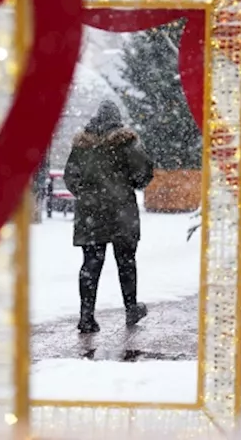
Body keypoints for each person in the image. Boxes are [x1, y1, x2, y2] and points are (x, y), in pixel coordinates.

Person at [64, 101, 155, 334]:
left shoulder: (82, 145)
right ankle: (131, 308)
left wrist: (86, 195)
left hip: (90, 214)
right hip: (121, 212)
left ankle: (86, 317)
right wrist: (126, 185)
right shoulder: (127, 143)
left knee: (91, 265)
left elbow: (70, 177)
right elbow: (143, 174)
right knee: (126, 263)